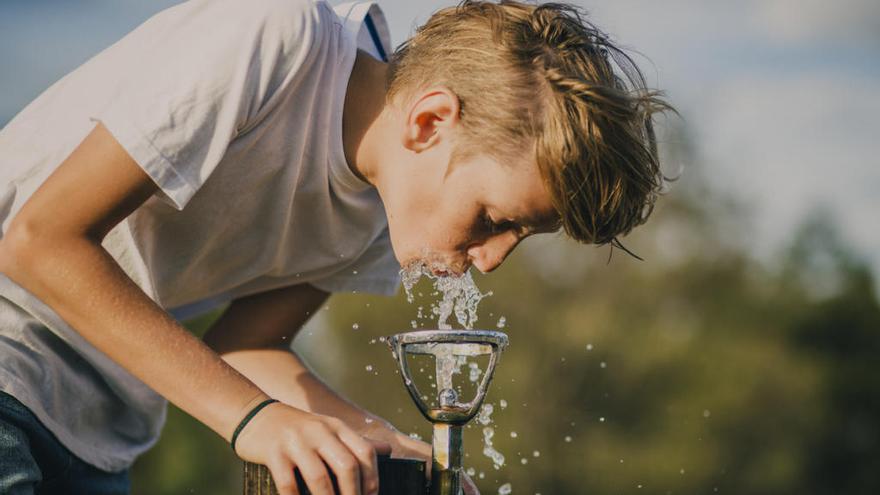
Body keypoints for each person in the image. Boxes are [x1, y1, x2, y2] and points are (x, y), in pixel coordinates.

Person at [0, 0, 675, 493]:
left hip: (99, 432)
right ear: (431, 121)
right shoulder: (272, 39)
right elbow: (37, 241)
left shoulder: (386, 212)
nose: (493, 257)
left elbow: (243, 346)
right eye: (494, 216)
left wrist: (380, 442)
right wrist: (257, 419)